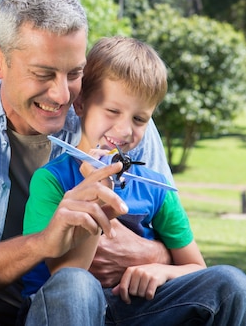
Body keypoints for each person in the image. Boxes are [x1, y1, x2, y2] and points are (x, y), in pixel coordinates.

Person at [0, 0, 246, 326]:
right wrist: (45, 243)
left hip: (117, 307)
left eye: (74, 73)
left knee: (228, 285)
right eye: (44, 73)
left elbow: (172, 232)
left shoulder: (117, 122)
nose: (63, 95)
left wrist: (158, 259)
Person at [22, 36, 212, 319]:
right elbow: (67, 275)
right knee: (77, 286)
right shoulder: (51, 181)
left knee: (229, 283)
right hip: (62, 309)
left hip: (136, 310)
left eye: (139, 119)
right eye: (112, 111)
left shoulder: (156, 188)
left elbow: (198, 270)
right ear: (81, 104)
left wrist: (163, 270)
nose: (124, 130)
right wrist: (96, 193)